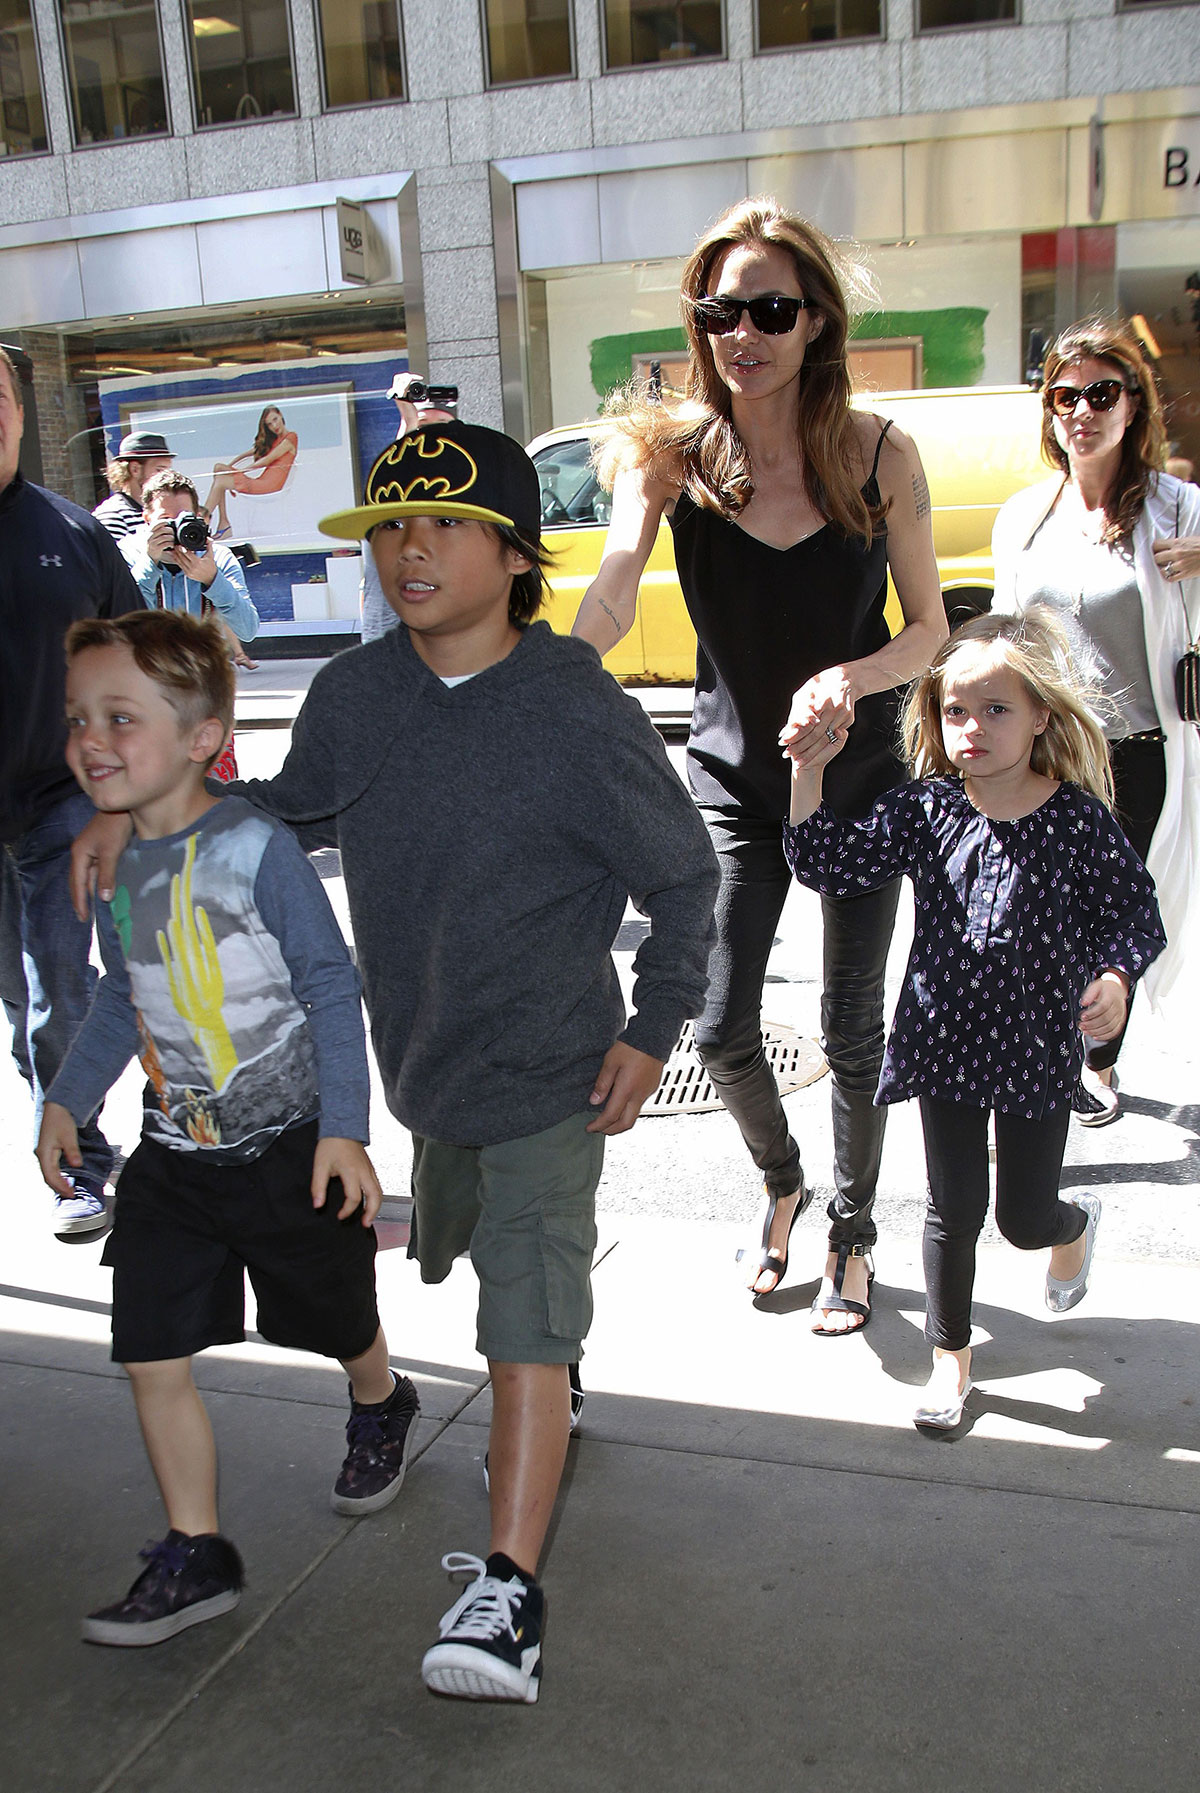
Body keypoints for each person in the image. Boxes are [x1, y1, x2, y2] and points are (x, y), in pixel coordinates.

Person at [72, 421, 719, 1703]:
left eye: (441, 527)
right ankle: (545, 1377)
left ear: (515, 554)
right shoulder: (358, 695)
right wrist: (128, 801)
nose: (407, 552)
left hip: (555, 1074)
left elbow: (685, 877)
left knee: (521, 1329)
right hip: (428, 1071)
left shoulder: (576, 708)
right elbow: (284, 809)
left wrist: (654, 1026)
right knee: (477, 1265)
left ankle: (510, 1595)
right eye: (388, 531)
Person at [571, 196, 946, 1331]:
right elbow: (613, 584)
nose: (745, 332)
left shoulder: (879, 454)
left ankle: (853, 1233)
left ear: (816, 322)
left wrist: (852, 678)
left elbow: (930, 628)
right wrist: (541, 682)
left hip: (864, 778)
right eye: (721, 310)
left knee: (849, 1023)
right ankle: (783, 1182)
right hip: (731, 782)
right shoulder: (674, 457)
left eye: (771, 309)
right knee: (721, 1023)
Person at [37, 609, 417, 1646]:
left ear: (204, 736)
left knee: (335, 1311)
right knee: (150, 1346)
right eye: (79, 717)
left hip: (287, 1142)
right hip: (176, 1155)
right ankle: (196, 1546)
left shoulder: (253, 849)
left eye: (122, 715)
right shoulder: (119, 863)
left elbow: (332, 986)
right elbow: (125, 993)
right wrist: (68, 1096)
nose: (90, 739)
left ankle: (379, 1398)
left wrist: (346, 1128)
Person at [783, 608, 1164, 1427]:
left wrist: (1116, 978)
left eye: (997, 709)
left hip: (1034, 1049)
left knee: (1023, 1217)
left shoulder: (1076, 820)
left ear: (1040, 718)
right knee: (951, 1209)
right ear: (934, 718)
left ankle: (1071, 1224)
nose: (974, 727)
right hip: (943, 1040)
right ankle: (950, 1364)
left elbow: (1136, 914)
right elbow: (827, 862)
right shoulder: (926, 810)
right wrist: (808, 771)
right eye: (956, 710)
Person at [992, 317, 1200, 1123]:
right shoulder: (1026, 517)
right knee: (1044, 914)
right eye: (1065, 395)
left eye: (1101, 393)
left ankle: (1099, 1060)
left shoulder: (1177, 508)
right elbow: (1008, 635)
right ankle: (1054, 1056)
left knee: (1121, 916)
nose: (1081, 410)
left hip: (1142, 756)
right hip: (1052, 756)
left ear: (1132, 405)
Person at [0, 343, 144, 1239]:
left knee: (57, 985)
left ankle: (82, 1160)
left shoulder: (73, 533)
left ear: (18, 408)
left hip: (64, 801)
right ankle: (77, 1133)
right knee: (21, 1006)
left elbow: (142, 659)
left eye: (1, 393)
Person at [359, 372, 458, 643]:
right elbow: (394, 481)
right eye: (424, 425)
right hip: (392, 646)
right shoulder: (387, 491)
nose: (431, 435)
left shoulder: (465, 492)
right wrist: (409, 420)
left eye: (443, 426)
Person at [121, 469, 260, 647]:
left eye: (183, 518)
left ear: (196, 517)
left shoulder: (216, 558)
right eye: (166, 519)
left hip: (200, 671)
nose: (176, 528)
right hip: (145, 671)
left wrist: (213, 580)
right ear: (147, 519)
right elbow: (123, 626)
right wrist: (149, 563)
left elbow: (248, 630)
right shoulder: (127, 555)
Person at [203, 404, 297, 538]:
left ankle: (202, 522)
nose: (274, 426)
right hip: (263, 481)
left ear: (281, 415)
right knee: (218, 468)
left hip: (270, 485)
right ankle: (223, 523)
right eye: (269, 424)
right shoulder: (275, 440)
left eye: (275, 419)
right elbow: (248, 454)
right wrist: (228, 467)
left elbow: (267, 460)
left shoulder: (291, 437)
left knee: (221, 482)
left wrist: (240, 471)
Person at [92, 430, 175, 541]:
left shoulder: (160, 511)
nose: (168, 477)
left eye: (169, 470)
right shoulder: (113, 516)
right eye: (159, 470)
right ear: (135, 469)